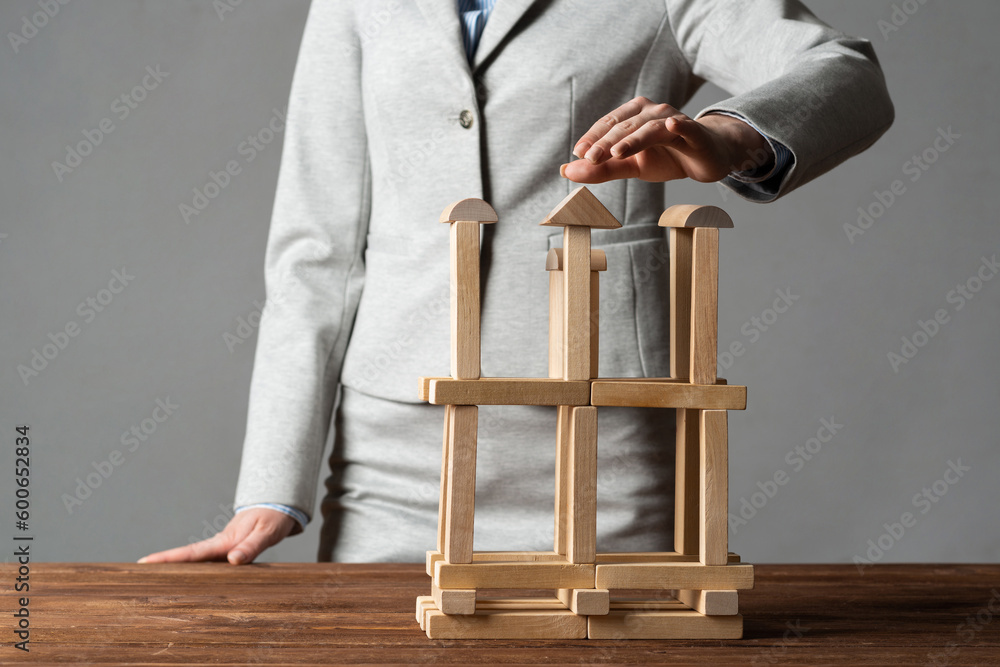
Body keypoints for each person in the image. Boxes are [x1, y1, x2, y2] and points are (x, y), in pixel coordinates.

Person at [140, 0, 893, 565]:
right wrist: (273, 485)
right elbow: (317, 246)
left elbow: (848, 74)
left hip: (603, 440)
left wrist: (725, 137)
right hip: (393, 458)